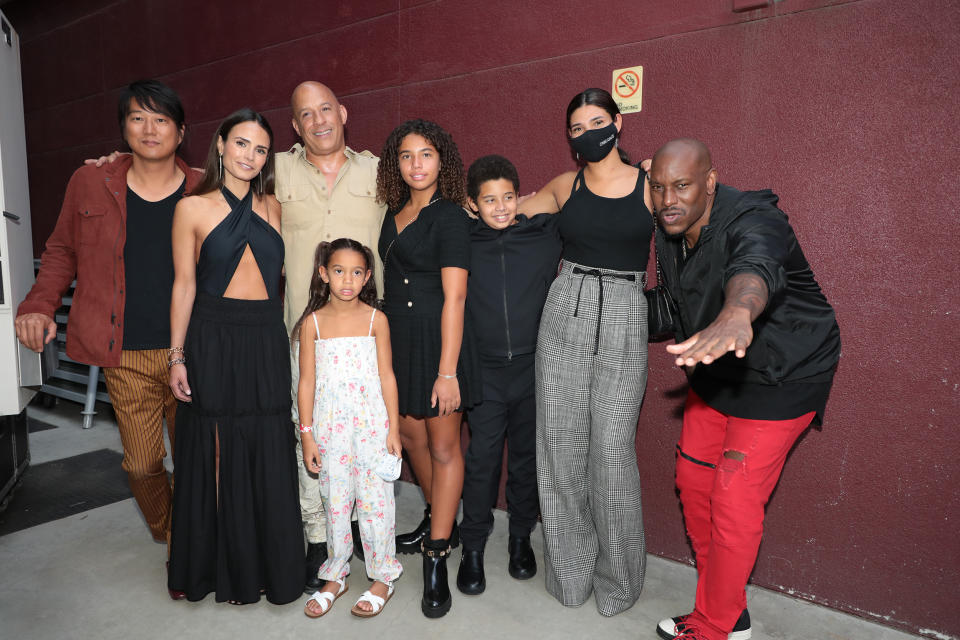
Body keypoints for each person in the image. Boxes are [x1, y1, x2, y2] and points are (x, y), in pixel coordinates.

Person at [647, 138, 841, 640]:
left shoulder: (756, 217)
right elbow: (675, 304)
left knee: (733, 500)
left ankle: (714, 625)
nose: (670, 198)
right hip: (717, 369)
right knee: (693, 485)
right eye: (659, 187)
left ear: (710, 183)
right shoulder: (668, 231)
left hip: (782, 374)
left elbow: (755, 267)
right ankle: (729, 606)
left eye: (683, 185)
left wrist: (738, 311)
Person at [16, 80, 201, 577]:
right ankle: (172, 532)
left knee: (199, 462)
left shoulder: (206, 186)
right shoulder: (90, 182)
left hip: (193, 350)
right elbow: (61, 252)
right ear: (123, 128)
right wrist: (38, 305)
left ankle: (191, 540)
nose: (149, 128)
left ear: (181, 131)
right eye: (138, 117)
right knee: (142, 465)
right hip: (125, 352)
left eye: (161, 119)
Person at [517, 87, 653, 616]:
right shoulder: (563, 185)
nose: (587, 133)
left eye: (596, 121)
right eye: (576, 128)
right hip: (565, 308)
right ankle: (570, 575)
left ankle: (619, 580)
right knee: (558, 446)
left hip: (624, 312)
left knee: (613, 452)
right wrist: (468, 202)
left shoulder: (649, 181)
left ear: (617, 122)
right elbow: (506, 212)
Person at [166, 108, 302, 605]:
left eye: (261, 148)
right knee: (216, 447)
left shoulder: (273, 207)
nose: (250, 155)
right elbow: (183, 285)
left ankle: (267, 564)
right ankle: (216, 566)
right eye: (241, 143)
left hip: (265, 335)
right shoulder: (192, 209)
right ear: (220, 144)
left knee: (267, 444)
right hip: (213, 336)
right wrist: (177, 355)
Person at [278, 82, 387, 589]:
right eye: (306, 114)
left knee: (369, 430)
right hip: (307, 329)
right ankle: (319, 534)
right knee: (313, 430)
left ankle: (364, 529)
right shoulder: (275, 170)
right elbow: (216, 178)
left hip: (366, 333)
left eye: (326, 108)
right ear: (295, 126)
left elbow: (424, 200)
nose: (319, 120)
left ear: (343, 111)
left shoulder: (377, 170)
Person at [376, 118, 481, 618]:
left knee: (442, 447)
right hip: (397, 341)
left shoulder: (451, 217)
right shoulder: (392, 214)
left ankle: (437, 555)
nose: (416, 164)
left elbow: (455, 297)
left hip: (441, 344)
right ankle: (440, 519)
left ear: (444, 162)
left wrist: (447, 371)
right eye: (406, 155)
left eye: (426, 155)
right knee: (409, 437)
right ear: (395, 164)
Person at [456, 155, 561, 596]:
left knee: (524, 461)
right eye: (489, 200)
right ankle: (473, 547)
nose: (500, 207)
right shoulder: (461, 245)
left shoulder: (542, 238)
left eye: (507, 197)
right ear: (472, 204)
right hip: (484, 374)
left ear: (520, 197)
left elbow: (582, 193)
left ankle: (521, 538)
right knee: (481, 463)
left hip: (532, 369)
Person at [294, 238, 404, 618]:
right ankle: (336, 573)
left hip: (372, 427)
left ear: (367, 277)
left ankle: (382, 575)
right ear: (324, 274)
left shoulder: (377, 320)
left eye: (357, 272)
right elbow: (305, 382)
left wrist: (393, 429)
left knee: (376, 503)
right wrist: (306, 433)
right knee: (335, 502)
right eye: (339, 271)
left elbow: (387, 376)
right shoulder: (312, 324)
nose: (347, 280)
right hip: (330, 430)